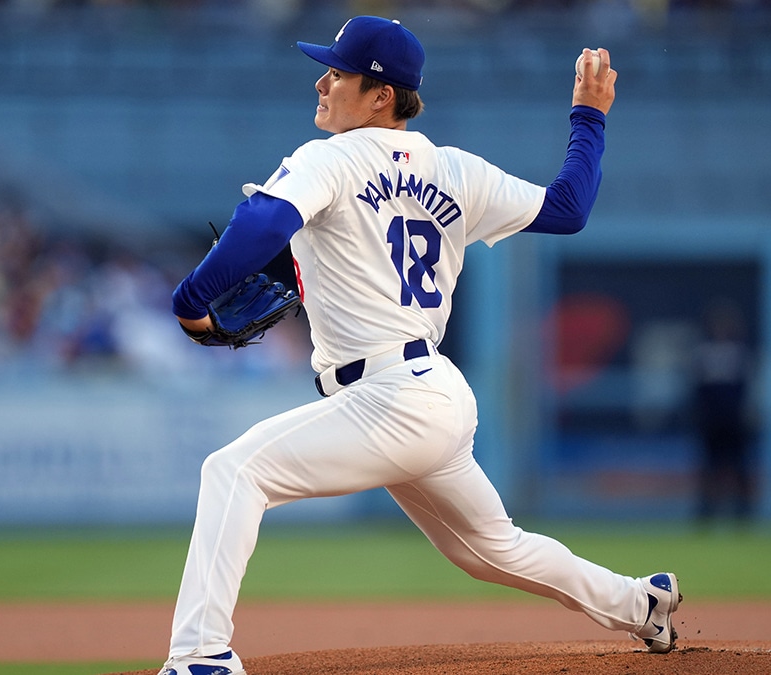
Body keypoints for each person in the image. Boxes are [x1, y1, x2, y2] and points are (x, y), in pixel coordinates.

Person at [162, 16, 681, 675]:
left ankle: (199, 654)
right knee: (494, 549)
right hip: (431, 391)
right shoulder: (455, 169)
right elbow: (568, 208)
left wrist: (188, 303)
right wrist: (589, 118)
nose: (321, 81)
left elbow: (263, 219)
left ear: (381, 94)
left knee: (234, 470)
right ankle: (642, 602)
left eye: (338, 72)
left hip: (389, 397)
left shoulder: (329, 158)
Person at [690, 298, 753, 525]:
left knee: (738, 467)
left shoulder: (739, 353)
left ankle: (742, 513)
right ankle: (706, 512)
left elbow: (746, 389)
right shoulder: (703, 353)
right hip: (711, 422)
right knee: (709, 468)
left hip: (734, 421)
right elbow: (697, 390)